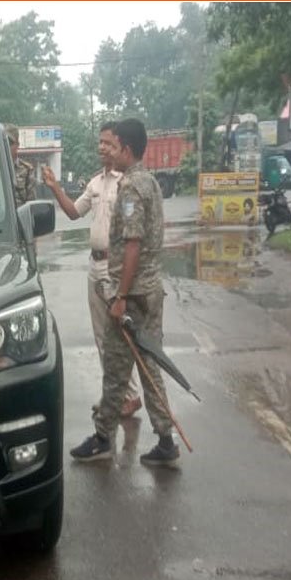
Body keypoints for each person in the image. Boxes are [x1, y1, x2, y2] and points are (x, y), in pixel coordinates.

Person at [70, 118, 180, 466]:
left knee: (117, 368)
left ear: (127, 150)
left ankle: (104, 437)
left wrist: (119, 297)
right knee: (150, 367)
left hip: (132, 296)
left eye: (114, 147)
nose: (109, 153)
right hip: (150, 292)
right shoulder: (150, 182)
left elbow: (132, 244)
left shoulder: (131, 188)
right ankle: (165, 439)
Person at [41, 121, 141, 418]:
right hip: (95, 265)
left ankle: (131, 395)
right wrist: (54, 187)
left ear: (122, 147)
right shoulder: (96, 183)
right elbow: (73, 212)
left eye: (108, 143)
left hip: (116, 266)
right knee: (101, 336)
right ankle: (115, 395)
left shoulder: (129, 183)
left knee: (121, 334)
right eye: (100, 142)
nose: (102, 148)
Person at [4, 124, 36, 207]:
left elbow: (31, 204)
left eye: (10, 143)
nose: (6, 146)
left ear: (17, 144)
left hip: (19, 217)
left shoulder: (27, 169)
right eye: (4, 142)